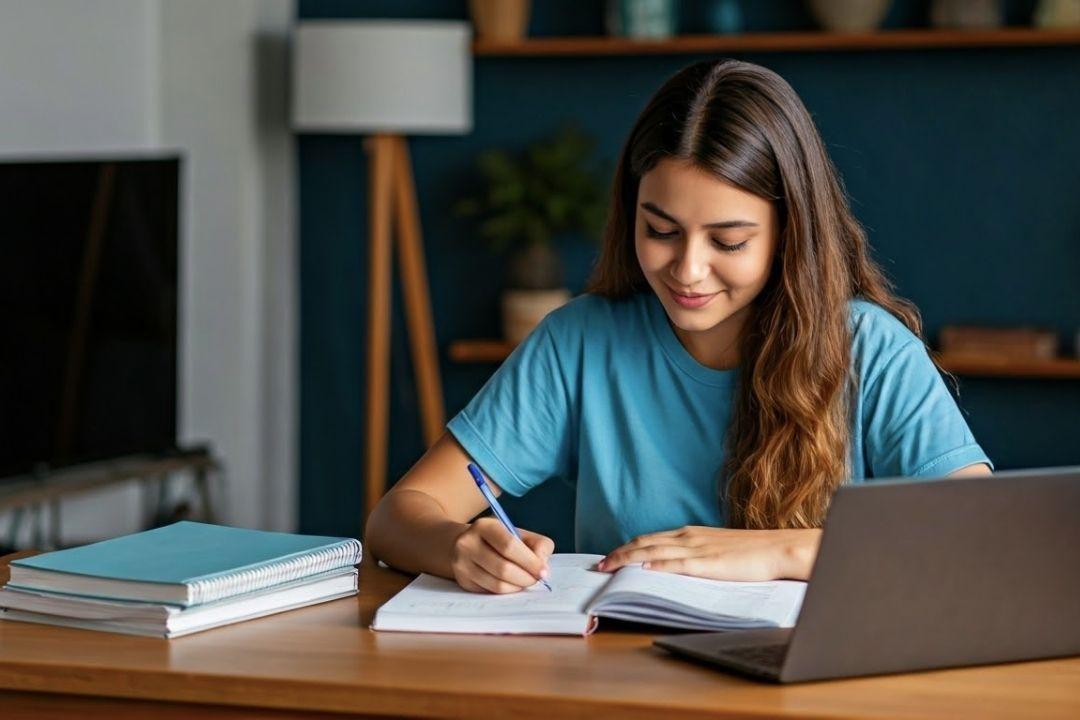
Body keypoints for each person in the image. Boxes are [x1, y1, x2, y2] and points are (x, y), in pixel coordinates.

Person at [365, 59, 993, 595]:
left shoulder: (871, 350)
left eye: (729, 240)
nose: (688, 270)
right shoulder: (580, 343)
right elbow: (398, 517)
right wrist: (457, 546)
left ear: (788, 235)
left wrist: (783, 552)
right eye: (660, 231)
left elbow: (981, 538)